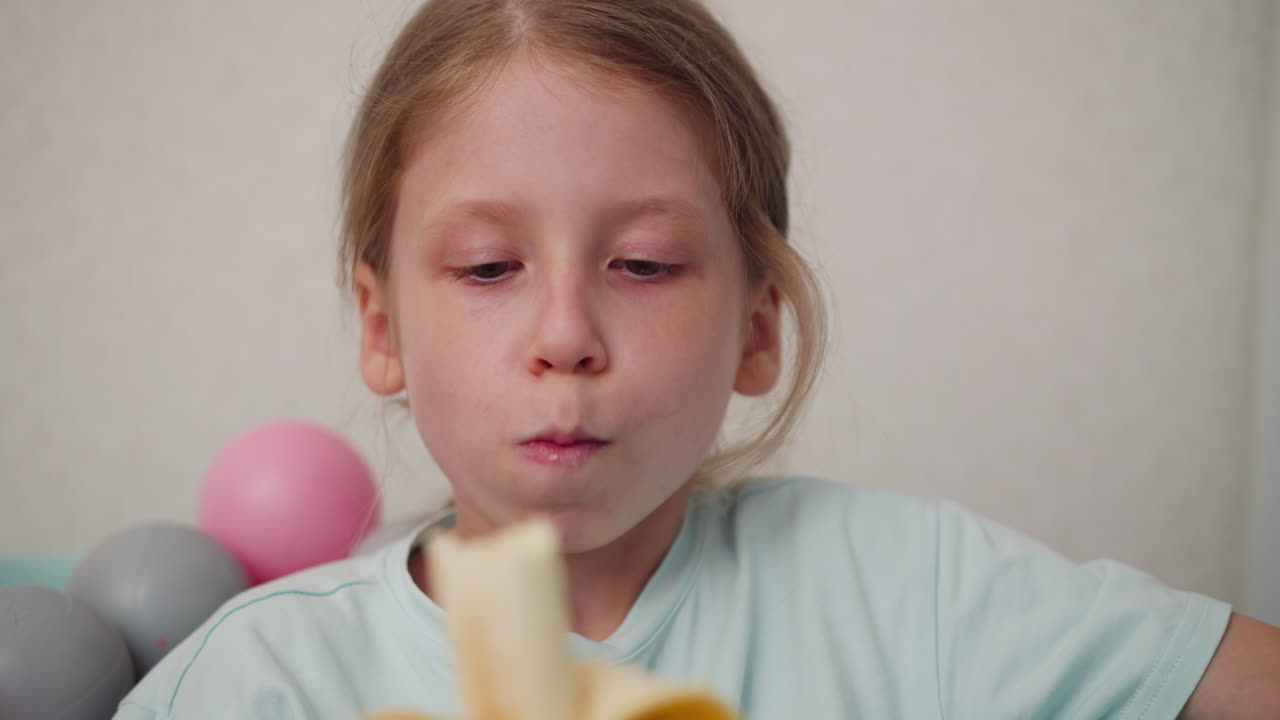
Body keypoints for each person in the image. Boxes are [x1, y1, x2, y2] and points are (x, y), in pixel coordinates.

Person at [115, 1, 1280, 718]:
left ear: (757, 326)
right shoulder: (257, 683)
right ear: (381, 329)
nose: (564, 334)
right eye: (486, 269)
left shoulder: (911, 594)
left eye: (644, 265)